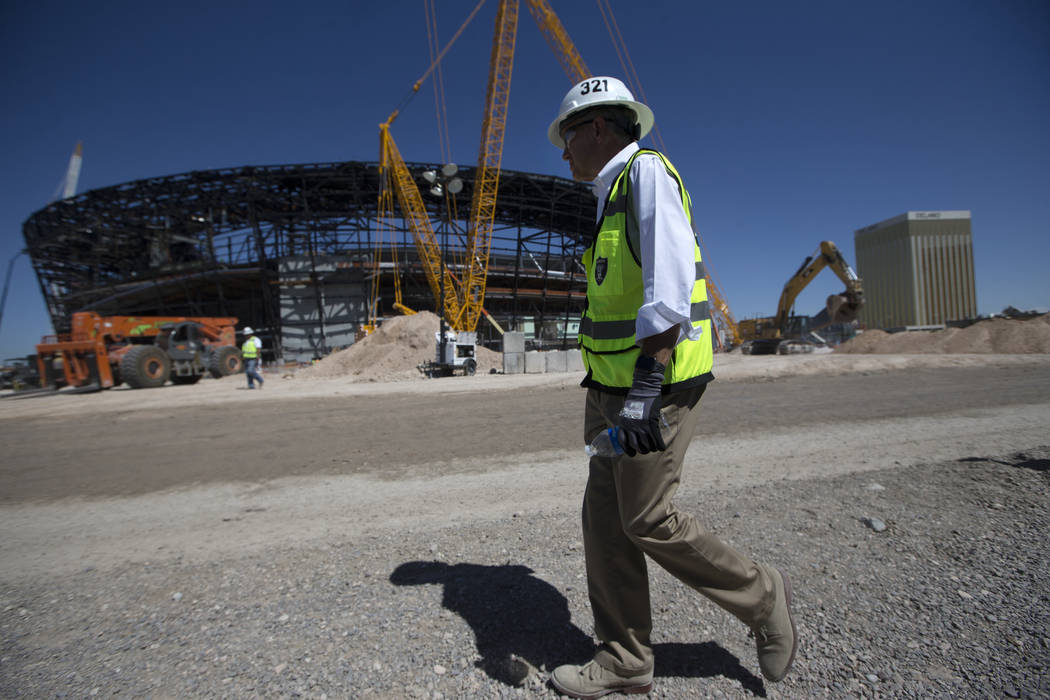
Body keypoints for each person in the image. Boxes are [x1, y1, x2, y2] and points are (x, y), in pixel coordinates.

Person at [546, 76, 798, 698]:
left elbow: (669, 285)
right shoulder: (610, 197)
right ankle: (625, 662)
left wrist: (643, 389)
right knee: (604, 523)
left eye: (567, 135)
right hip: (607, 390)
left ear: (599, 127)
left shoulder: (646, 175)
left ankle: (762, 595)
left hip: (652, 389)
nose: (562, 150)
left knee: (647, 519)